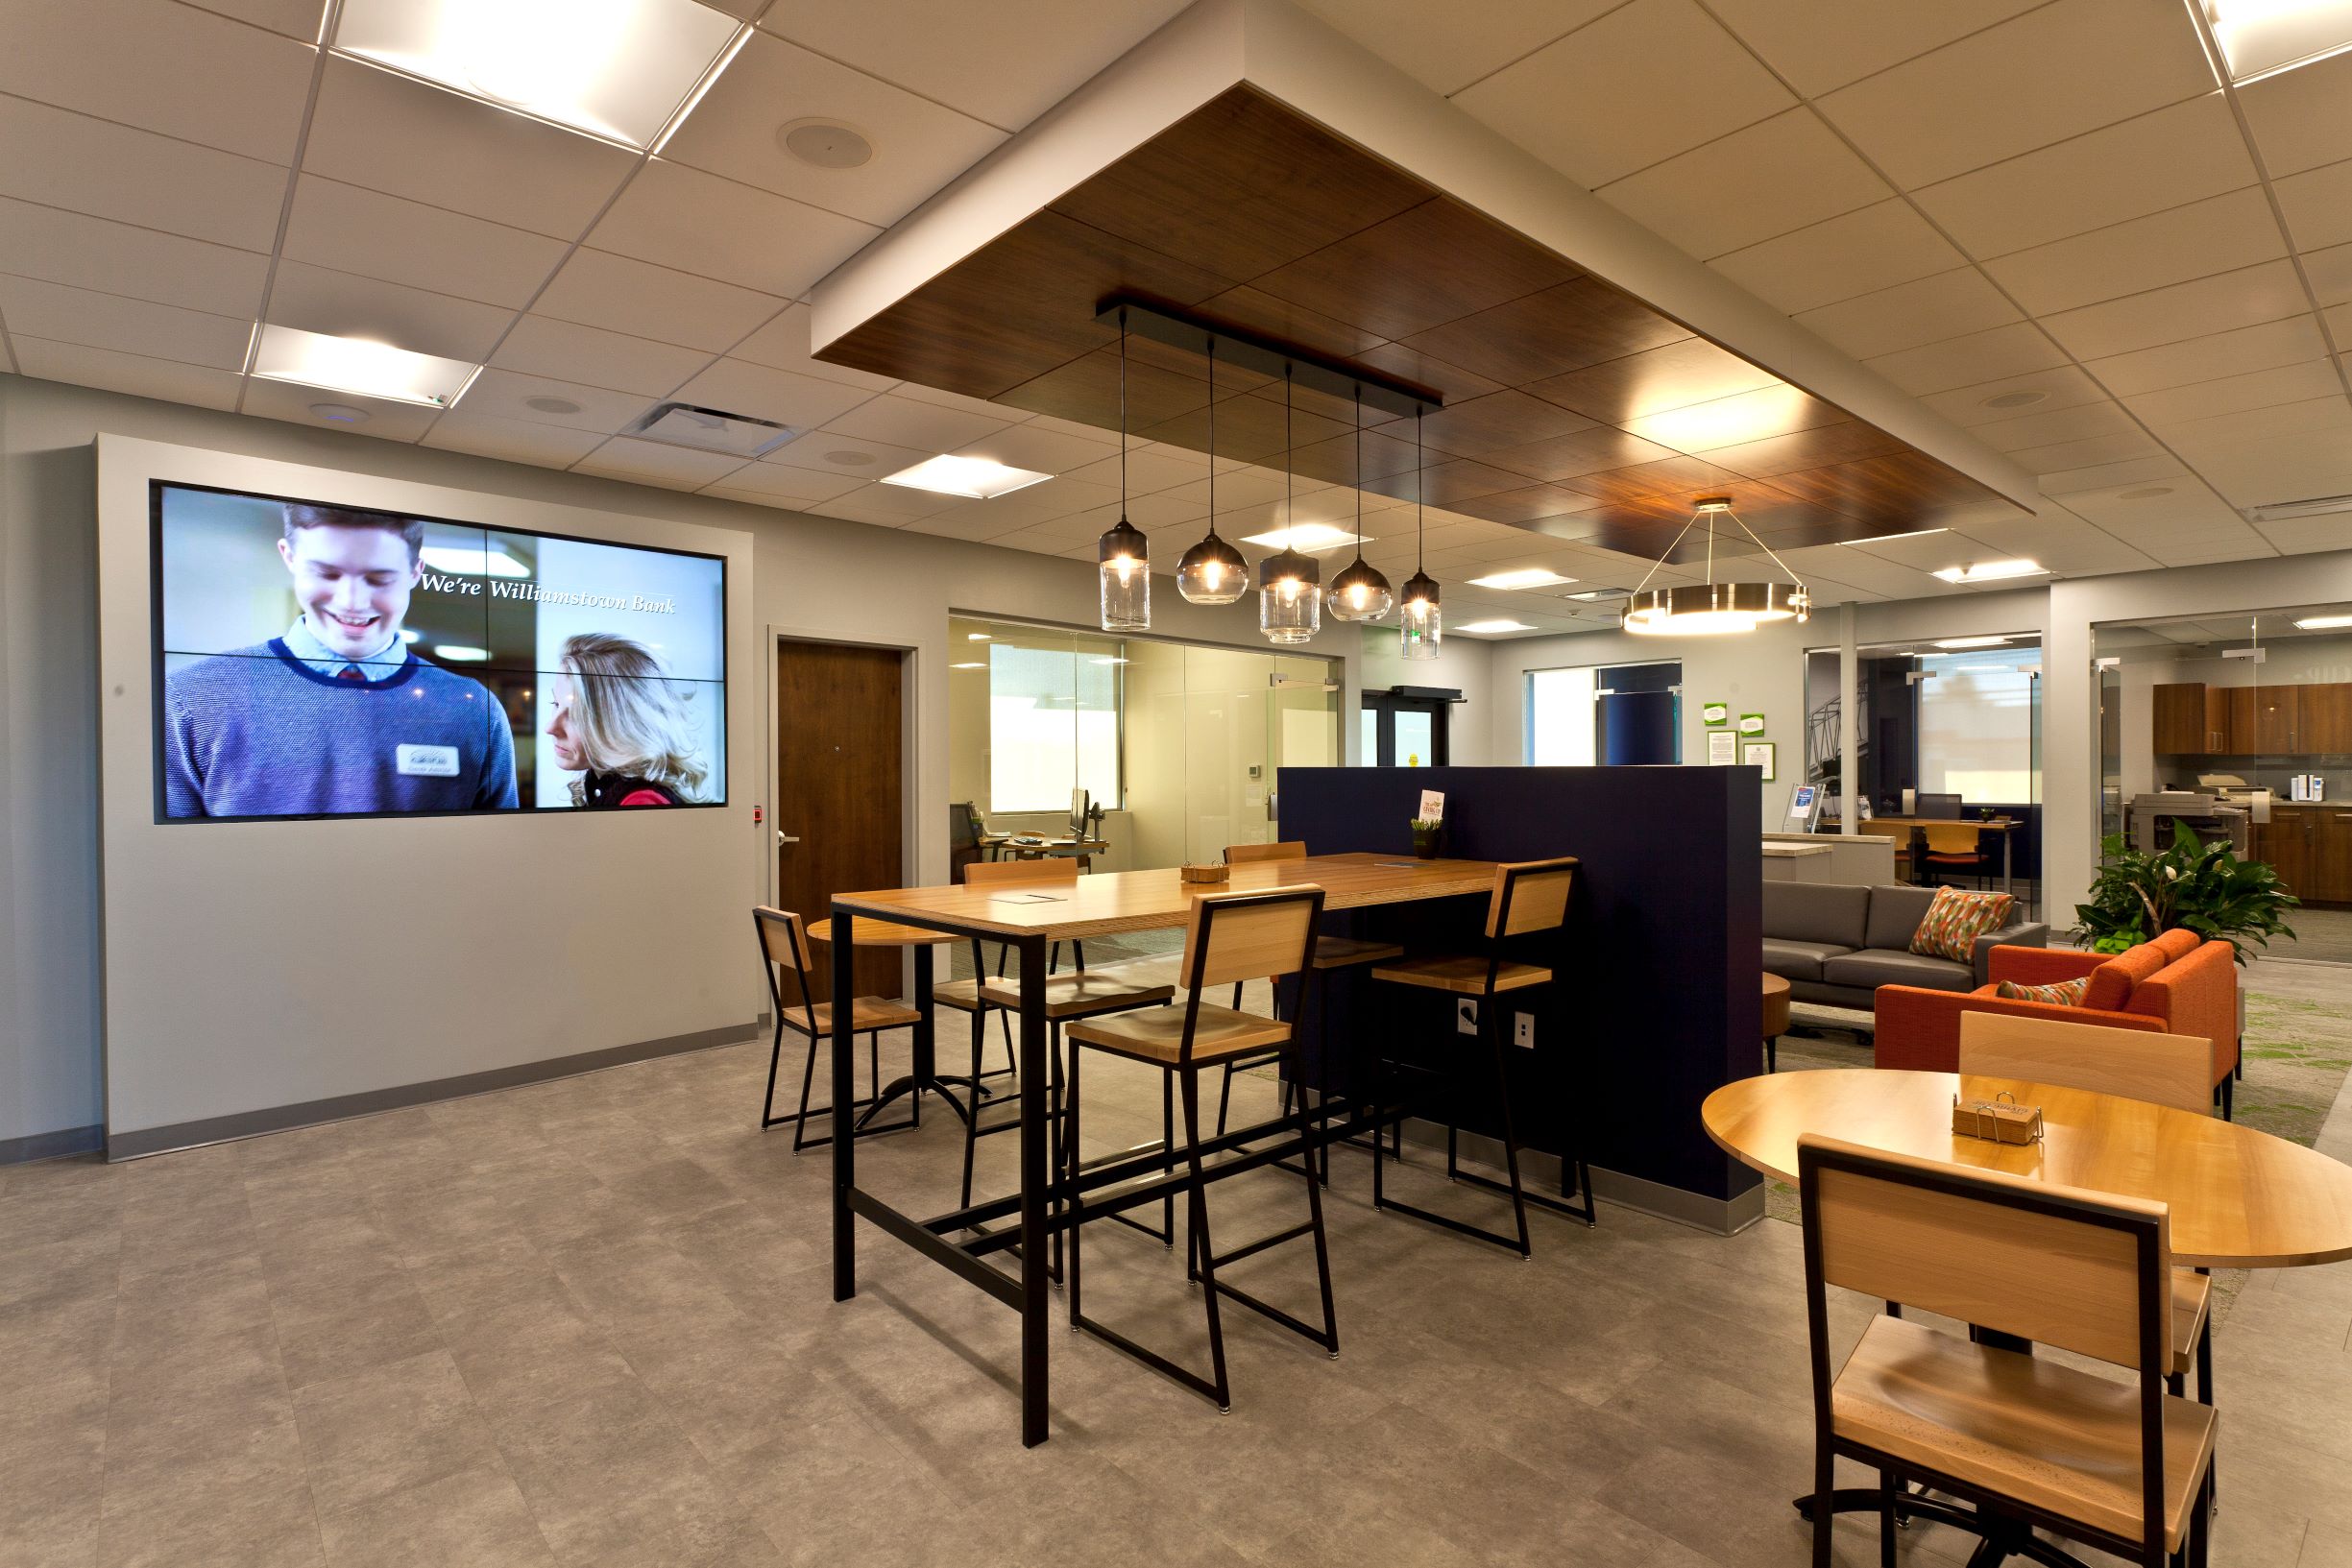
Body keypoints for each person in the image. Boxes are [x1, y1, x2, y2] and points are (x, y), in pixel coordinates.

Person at [162, 502, 518, 818]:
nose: (352, 602)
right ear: (288, 556)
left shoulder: (473, 709)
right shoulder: (191, 699)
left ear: (415, 571)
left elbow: (499, 858)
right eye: (327, 574)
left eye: (379, 579)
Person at [544, 633, 710, 808]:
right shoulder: (602, 784)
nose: (550, 727)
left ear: (626, 724)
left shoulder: (641, 802)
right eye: (555, 703)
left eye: (577, 714)